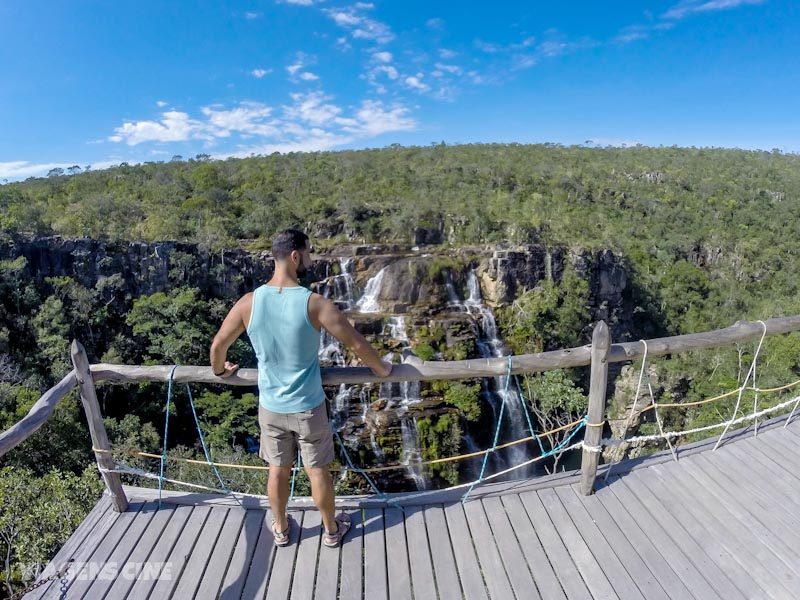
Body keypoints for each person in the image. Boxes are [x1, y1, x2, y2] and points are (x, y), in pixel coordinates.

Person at [209, 229, 392, 548]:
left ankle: (280, 529)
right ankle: (332, 531)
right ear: (295, 256)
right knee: (317, 471)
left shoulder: (248, 303)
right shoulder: (315, 304)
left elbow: (218, 346)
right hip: (308, 406)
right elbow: (358, 344)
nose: (311, 259)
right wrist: (382, 368)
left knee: (277, 471)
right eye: (308, 253)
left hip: (271, 407)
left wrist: (219, 370)